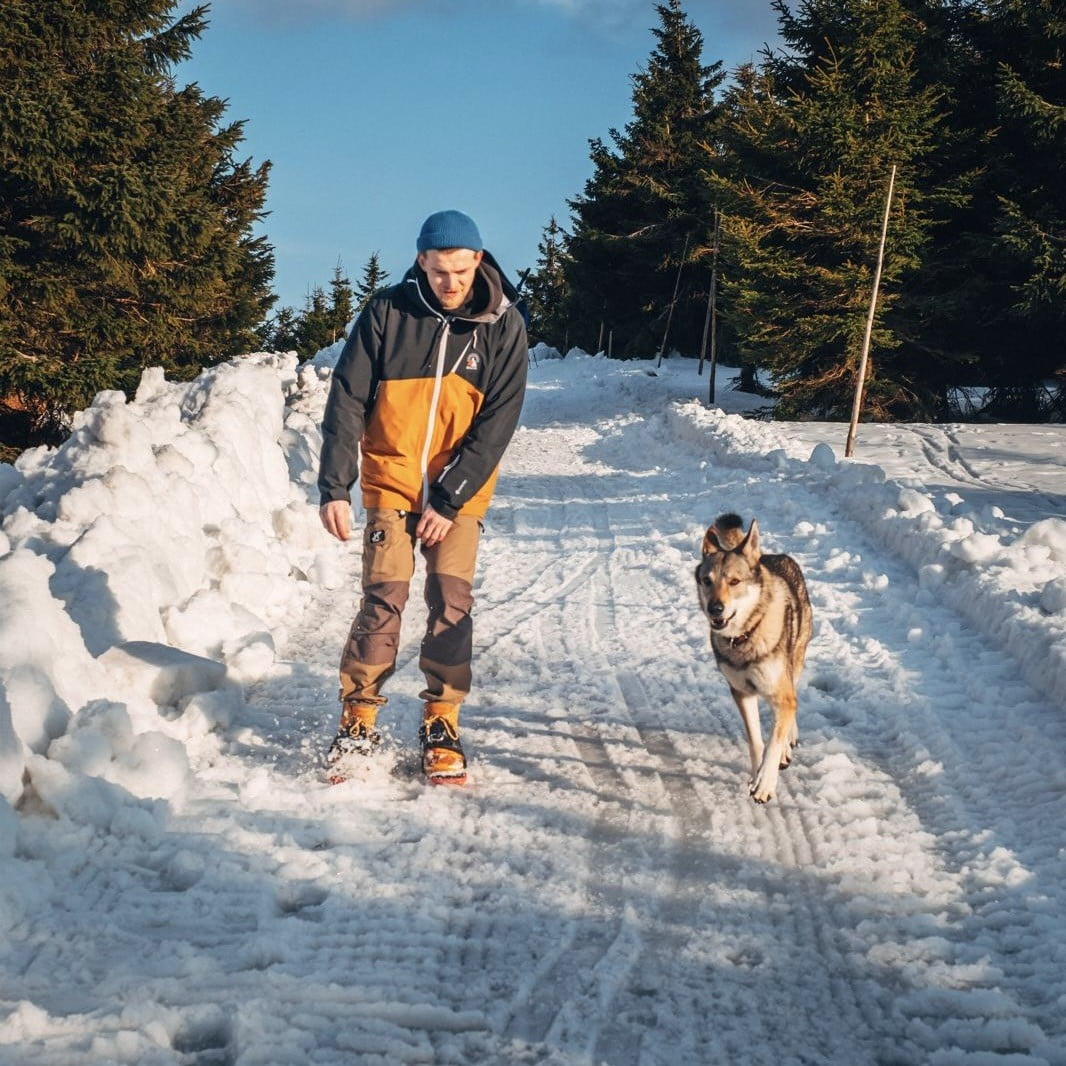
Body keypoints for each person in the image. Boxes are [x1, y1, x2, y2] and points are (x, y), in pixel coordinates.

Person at [317, 210, 528, 784]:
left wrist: (451, 497)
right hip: (391, 480)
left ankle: (442, 719)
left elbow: (499, 423)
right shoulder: (387, 312)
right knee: (384, 598)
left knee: (450, 600)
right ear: (421, 263)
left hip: (460, 492)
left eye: (460, 271)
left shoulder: (503, 326)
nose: (450, 283)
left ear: (478, 262)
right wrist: (334, 486)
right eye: (438, 272)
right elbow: (347, 401)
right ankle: (358, 717)